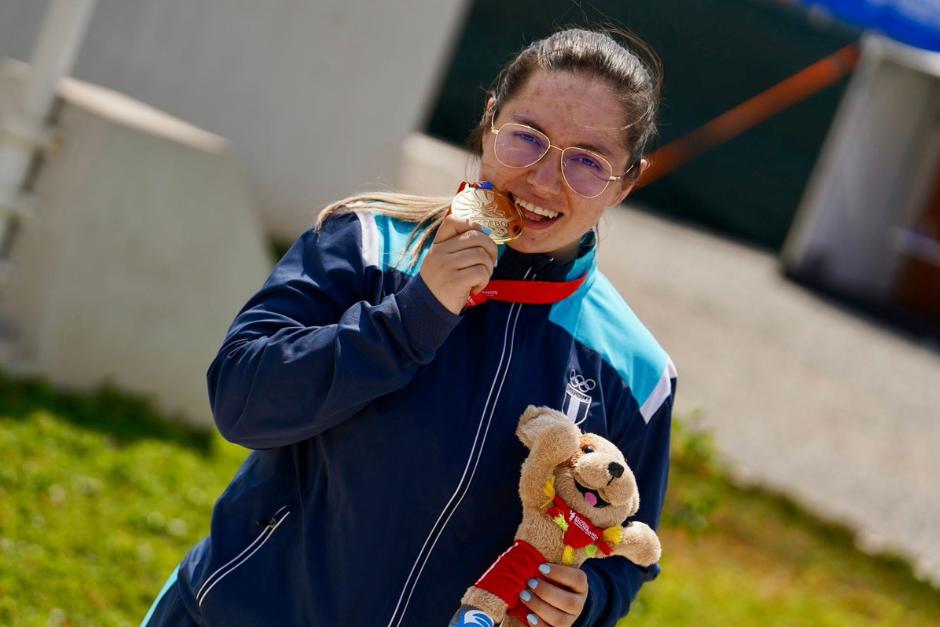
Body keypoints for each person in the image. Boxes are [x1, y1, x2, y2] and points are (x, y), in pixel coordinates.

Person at [142, 26, 676, 627]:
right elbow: (241, 402)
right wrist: (413, 314)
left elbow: (627, 548)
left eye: (587, 162)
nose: (545, 181)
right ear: (490, 121)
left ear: (625, 183)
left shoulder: (636, 369)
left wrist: (590, 599)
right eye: (528, 137)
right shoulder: (366, 244)